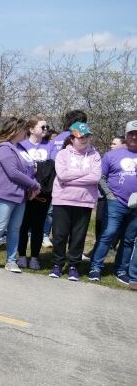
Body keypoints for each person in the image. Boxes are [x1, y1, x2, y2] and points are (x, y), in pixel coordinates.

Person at [0, 117, 41, 272]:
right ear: (16, 131)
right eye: (24, 129)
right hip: (3, 194)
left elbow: (28, 169)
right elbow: (13, 172)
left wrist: (31, 185)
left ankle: (11, 260)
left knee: (15, 229)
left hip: (20, 195)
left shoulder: (20, 148)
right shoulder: (3, 148)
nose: (26, 132)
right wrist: (34, 184)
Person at [48, 122, 101, 281]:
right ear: (72, 138)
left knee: (78, 237)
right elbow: (62, 176)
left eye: (86, 136)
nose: (84, 139)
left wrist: (73, 177)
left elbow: (96, 177)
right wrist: (85, 173)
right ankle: (57, 264)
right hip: (62, 200)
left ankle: (73, 266)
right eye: (80, 137)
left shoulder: (95, 155)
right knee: (59, 235)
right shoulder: (63, 154)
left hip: (84, 201)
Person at [89, 120, 137, 283]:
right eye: (131, 133)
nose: (134, 137)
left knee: (129, 239)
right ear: (126, 135)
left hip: (136, 206)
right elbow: (101, 177)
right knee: (108, 234)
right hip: (116, 202)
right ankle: (95, 267)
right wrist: (109, 195)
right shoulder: (112, 155)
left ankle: (121, 270)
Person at [16, 118, 55, 270]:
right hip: (24, 191)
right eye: (42, 126)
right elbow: (18, 167)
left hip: (42, 192)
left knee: (38, 226)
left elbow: (51, 167)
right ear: (31, 129)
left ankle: (34, 257)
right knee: (23, 225)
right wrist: (38, 169)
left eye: (47, 126)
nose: (46, 129)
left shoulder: (50, 146)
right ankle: (21, 255)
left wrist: (35, 168)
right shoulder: (21, 145)